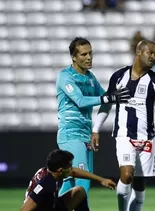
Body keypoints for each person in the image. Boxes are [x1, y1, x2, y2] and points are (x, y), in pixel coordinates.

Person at [91, 40, 155, 211]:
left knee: (140, 186)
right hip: (124, 134)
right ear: (138, 52)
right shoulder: (118, 77)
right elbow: (107, 104)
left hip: (147, 138)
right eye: (150, 52)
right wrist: (95, 129)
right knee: (126, 175)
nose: (153, 57)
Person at [56, 37, 130, 198]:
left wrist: (96, 129)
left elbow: (106, 99)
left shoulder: (90, 77)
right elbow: (81, 101)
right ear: (74, 57)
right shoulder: (65, 76)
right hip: (71, 135)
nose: (89, 57)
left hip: (85, 136)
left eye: (90, 53)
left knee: (69, 181)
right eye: (83, 54)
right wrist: (108, 98)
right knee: (83, 182)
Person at [21, 149, 116, 211]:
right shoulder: (46, 185)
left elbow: (74, 172)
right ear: (60, 170)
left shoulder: (52, 172)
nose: (72, 169)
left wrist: (101, 180)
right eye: (70, 166)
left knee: (79, 191)